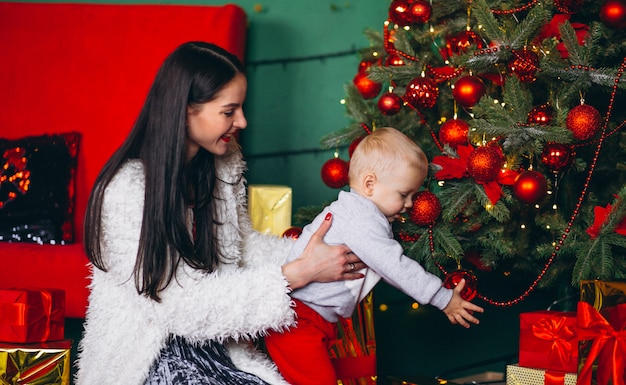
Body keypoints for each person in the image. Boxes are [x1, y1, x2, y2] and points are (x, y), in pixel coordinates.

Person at [75, 41, 366, 385]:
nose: (242, 121)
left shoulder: (219, 165)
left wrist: (312, 253)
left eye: (241, 108)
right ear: (185, 110)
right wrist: (295, 274)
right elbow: (180, 306)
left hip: (218, 348)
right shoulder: (128, 189)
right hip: (151, 355)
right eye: (229, 112)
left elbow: (239, 247)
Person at [264, 127, 485, 385]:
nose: (411, 204)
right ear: (370, 184)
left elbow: (384, 266)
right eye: (404, 195)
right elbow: (395, 266)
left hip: (314, 319)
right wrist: (442, 298)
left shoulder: (359, 212)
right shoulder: (361, 219)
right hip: (298, 321)